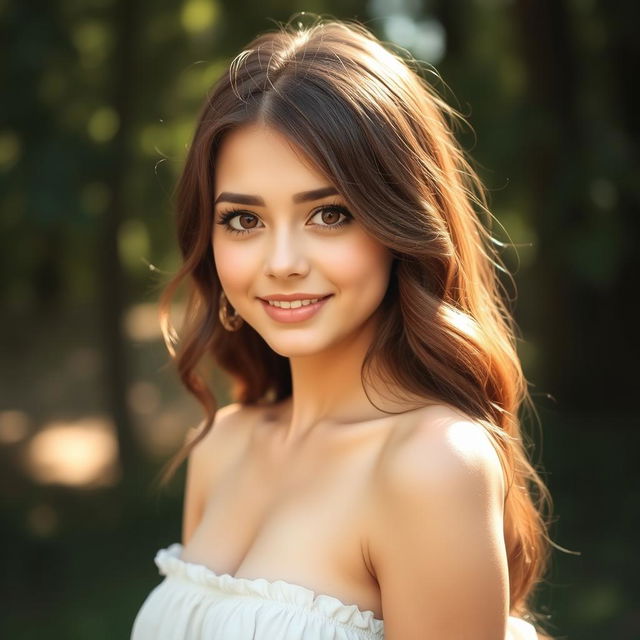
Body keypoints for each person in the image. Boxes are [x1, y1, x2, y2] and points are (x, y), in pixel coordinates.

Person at [130, 15, 557, 640]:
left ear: (401, 224)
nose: (282, 264)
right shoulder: (223, 444)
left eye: (329, 214)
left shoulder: (431, 464)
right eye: (244, 220)